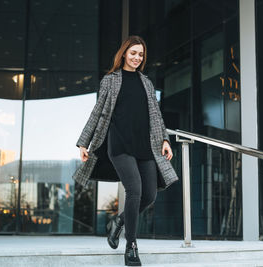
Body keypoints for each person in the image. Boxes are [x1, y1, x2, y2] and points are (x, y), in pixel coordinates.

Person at [74, 35, 178, 266]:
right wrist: (84, 143)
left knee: (149, 194)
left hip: (145, 144)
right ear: (123, 54)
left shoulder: (146, 82)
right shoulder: (110, 80)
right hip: (119, 144)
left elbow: (156, 115)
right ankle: (131, 246)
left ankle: (119, 222)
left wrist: (165, 139)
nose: (137, 58)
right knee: (135, 190)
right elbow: (97, 112)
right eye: (133, 53)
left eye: (140, 54)